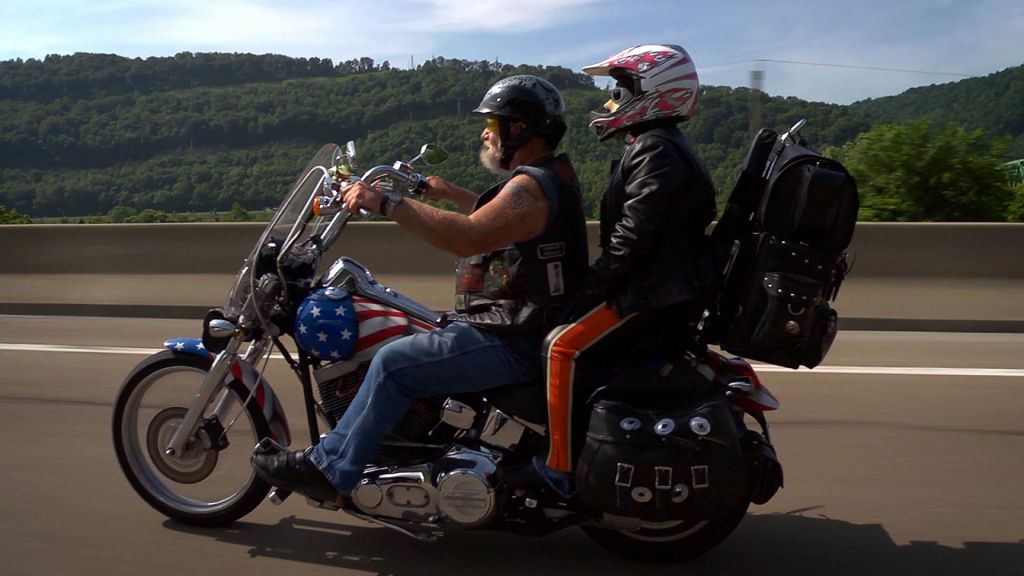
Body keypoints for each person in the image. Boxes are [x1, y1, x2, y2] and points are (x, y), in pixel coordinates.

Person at [251, 75, 589, 505]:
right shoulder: (546, 178)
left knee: (393, 362)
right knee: (415, 332)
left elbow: (468, 237)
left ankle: (331, 468)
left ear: (519, 128)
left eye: (493, 123)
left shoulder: (533, 187)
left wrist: (386, 203)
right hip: (517, 326)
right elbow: (496, 219)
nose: (485, 132)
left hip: (515, 336)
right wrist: (446, 193)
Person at [536, 44, 718, 493]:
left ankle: (557, 470)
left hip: (651, 298)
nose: (610, 102)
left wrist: (591, 287)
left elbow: (633, 238)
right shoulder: (662, 146)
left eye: (620, 91)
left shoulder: (656, 150)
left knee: (561, 348)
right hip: (659, 290)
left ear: (652, 93)